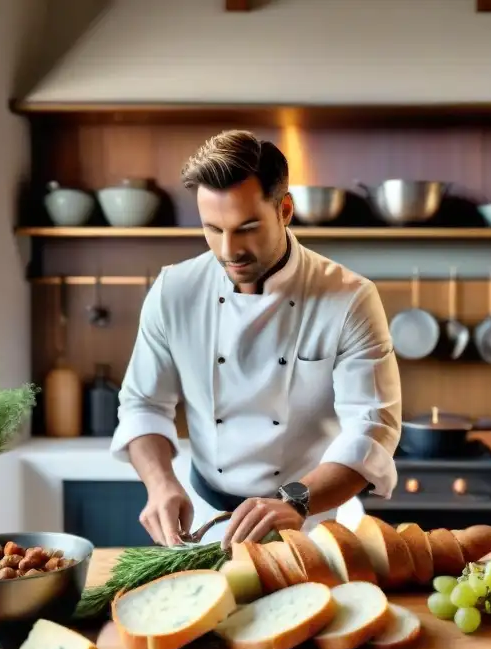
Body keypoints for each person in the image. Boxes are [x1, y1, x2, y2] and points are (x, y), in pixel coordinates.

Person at [111, 129, 402, 549]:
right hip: (205, 520)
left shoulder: (349, 298)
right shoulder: (175, 290)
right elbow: (143, 403)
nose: (229, 250)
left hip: (309, 524)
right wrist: (160, 484)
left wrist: (297, 502)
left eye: (247, 228)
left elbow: (372, 429)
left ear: (285, 209)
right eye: (212, 229)